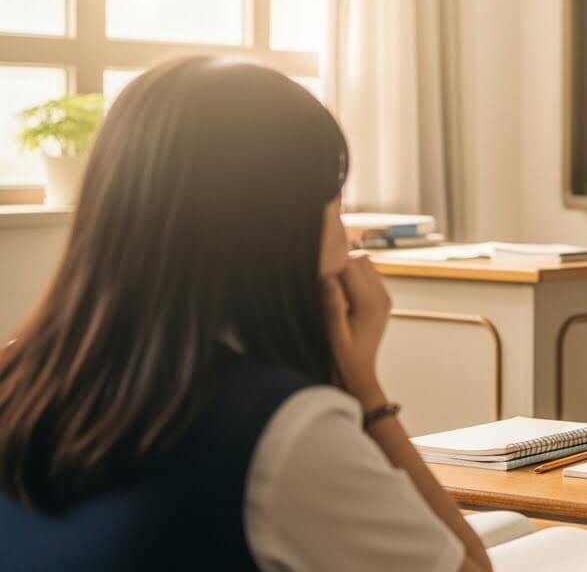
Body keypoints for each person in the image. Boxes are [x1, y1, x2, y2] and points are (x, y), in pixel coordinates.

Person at [0, 57, 491, 571]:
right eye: (335, 208)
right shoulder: (287, 435)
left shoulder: (19, 378)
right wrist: (365, 392)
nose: (347, 246)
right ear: (277, 227)